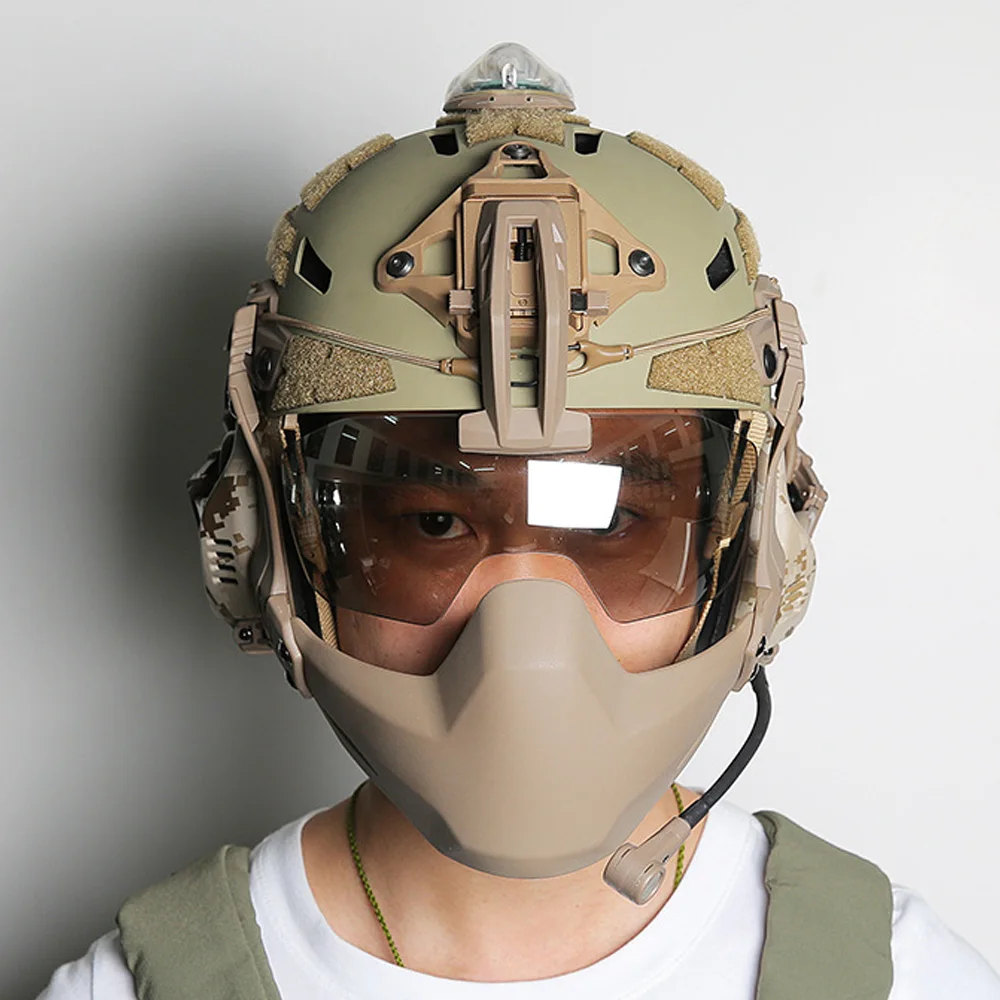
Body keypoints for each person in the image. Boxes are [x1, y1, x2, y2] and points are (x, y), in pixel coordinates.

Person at [38, 42, 1000, 999]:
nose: (527, 645)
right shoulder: (142, 987)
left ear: (762, 548)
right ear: (260, 542)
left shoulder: (897, 976)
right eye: (432, 522)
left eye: (613, 522)